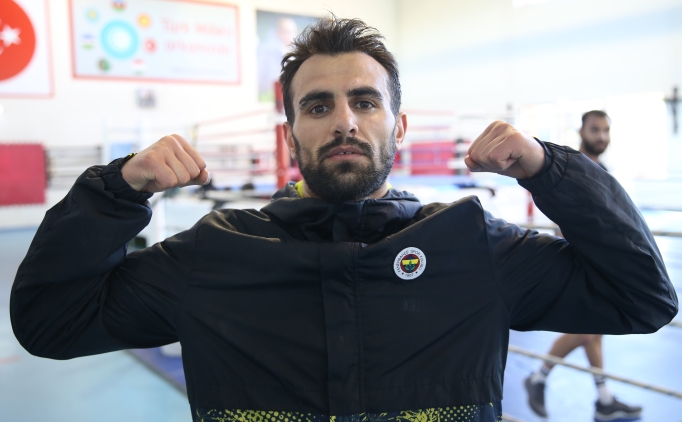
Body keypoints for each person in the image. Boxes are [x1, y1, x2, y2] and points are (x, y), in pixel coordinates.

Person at [10, 17, 677, 422]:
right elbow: (50, 322)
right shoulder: (214, 256)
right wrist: (113, 193)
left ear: (399, 126)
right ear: (290, 136)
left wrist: (551, 170)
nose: (345, 121)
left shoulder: (471, 248)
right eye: (318, 106)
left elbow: (642, 298)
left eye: (365, 101)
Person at [523, 110, 642, 421]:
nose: (601, 136)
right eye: (595, 129)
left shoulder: (600, 169)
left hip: (599, 263)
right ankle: (539, 378)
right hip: (579, 262)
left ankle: (603, 400)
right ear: (582, 131)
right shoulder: (572, 166)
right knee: (589, 331)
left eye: (605, 130)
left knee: (595, 332)